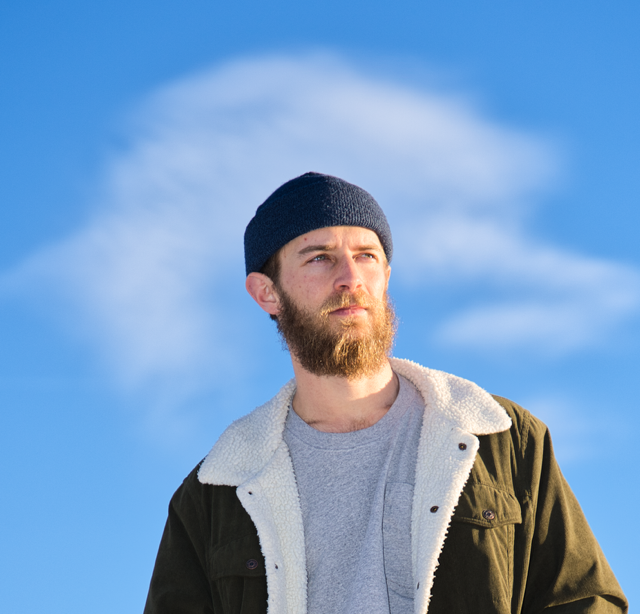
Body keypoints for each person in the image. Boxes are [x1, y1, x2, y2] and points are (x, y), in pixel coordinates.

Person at [144, 172, 627, 614]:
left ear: (386, 277)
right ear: (267, 293)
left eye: (366, 257)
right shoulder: (215, 495)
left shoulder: (502, 440)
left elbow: (586, 600)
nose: (350, 279)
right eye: (320, 258)